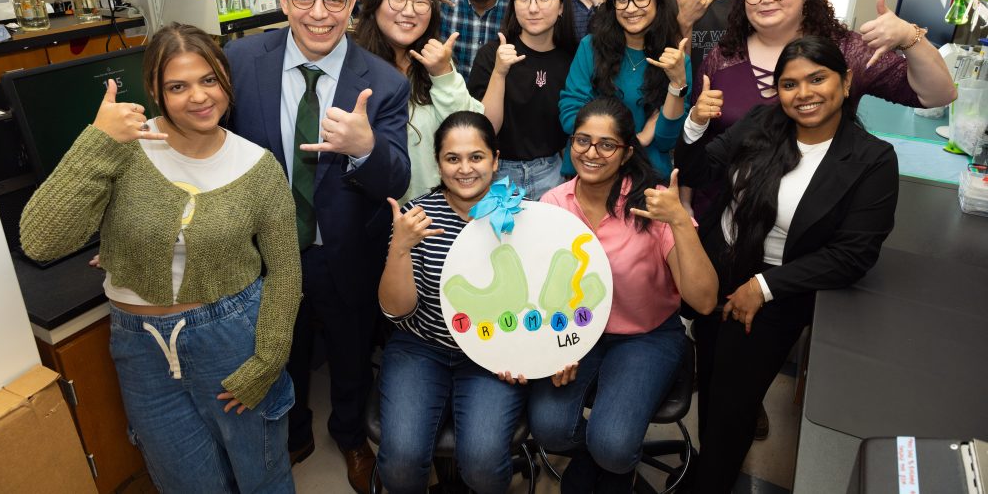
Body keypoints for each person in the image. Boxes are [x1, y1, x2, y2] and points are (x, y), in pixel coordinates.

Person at [20, 23, 301, 493]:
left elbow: (286, 271)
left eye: (209, 80)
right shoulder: (122, 149)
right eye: (178, 86)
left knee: (262, 477)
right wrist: (98, 141)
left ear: (226, 81)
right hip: (140, 348)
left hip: (231, 338)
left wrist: (268, 359)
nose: (199, 97)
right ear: (154, 90)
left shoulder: (257, 166)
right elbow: (40, 241)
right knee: (185, 483)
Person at [224, 0, 410, 493]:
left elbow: (395, 180)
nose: (319, 14)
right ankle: (295, 430)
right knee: (283, 349)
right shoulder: (238, 61)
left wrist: (364, 147)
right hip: (266, 249)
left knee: (352, 354)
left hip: (346, 249)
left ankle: (350, 435)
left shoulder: (385, 82)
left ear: (352, 5)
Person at [676, 36, 900, 493]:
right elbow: (700, 172)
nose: (804, 94)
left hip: (774, 293)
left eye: (817, 79)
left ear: (846, 80)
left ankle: (711, 482)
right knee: (713, 386)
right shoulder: (763, 122)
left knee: (733, 407)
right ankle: (707, 470)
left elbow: (853, 254)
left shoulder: (871, 160)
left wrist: (764, 287)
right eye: (789, 84)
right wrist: (696, 124)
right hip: (716, 271)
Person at [529, 96, 717, 492]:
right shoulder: (552, 203)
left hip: (646, 336)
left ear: (627, 152)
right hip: (577, 333)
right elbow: (541, 288)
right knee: (548, 428)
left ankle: (613, 460)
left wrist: (681, 222)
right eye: (582, 140)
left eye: (606, 144)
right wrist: (553, 345)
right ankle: (596, 456)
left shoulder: (653, 204)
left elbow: (703, 301)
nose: (591, 153)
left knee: (613, 445)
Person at [684, 0, 956, 216]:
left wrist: (910, 37)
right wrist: (685, 204)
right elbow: (696, 137)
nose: (765, 0)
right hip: (725, 211)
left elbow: (938, 95)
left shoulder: (847, 51)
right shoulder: (724, 56)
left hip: (813, 215)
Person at [377, 111, 527, 494]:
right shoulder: (415, 218)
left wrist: (531, 353)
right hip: (420, 347)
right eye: (452, 158)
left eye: (476, 157)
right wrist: (400, 247)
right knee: (401, 464)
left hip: (492, 351)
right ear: (438, 162)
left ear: (495, 159)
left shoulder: (524, 218)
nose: (465, 169)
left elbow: (537, 303)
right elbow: (396, 310)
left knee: (481, 464)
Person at [355, 0, 484, 202]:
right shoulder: (353, 68)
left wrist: (443, 74)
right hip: (378, 218)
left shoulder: (435, 62)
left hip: (439, 213)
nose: (409, 10)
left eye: (421, 2)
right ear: (374, 2)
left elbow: (472, 132)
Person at [560, 0, 691, 181]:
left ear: (658, 1)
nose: (630, 8)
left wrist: (677, 84)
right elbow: (571, 116)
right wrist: (637, 139)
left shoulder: (677, 61)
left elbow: (666, 139)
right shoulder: (591, 47)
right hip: (589, 173)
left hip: (646, 180)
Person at [468, 0, 577, 200]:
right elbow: (483, 129)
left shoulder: (573, 58)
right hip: (497, 175)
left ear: (561, 7)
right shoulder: (492, 54)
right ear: (514, 5)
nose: (533, 8)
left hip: (553, 173)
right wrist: (499, 72)